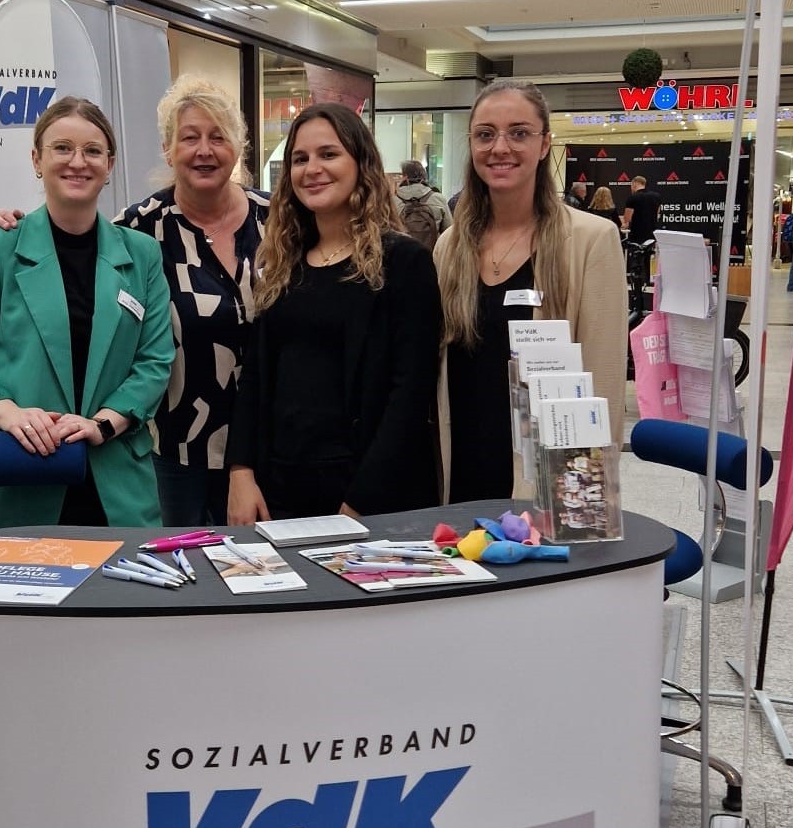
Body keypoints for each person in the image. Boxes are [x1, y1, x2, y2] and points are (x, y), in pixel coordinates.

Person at [0, 77, 268, 528]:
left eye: (218, 137)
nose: (204, 150)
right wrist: (6, 229)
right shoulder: (140, 230)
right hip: (174, 449)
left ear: (239, 148)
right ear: (168, 150)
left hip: (269, 443)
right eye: (189, 137)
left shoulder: (281, 220)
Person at [0, 97, 175, 528]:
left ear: (109, 163)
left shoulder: (141, 255)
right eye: (62, 148)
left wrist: (102, 424)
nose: (77, 162)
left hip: (114, 474)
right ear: (36, 160)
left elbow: (154, 361)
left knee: (122, 592)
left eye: (92, 151)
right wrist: (9, 412)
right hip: (19, 472)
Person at [226, 103, 441, 523]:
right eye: (299, 159)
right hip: (279, 491)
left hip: (366, 497)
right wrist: (240, 470)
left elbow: (410, 393)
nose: (312, 169)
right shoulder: (283, 262)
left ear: (361, 163)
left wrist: (363, 500)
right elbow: (255, 375)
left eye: (328, 154)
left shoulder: (403, 262)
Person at [435, 80, 627, 503]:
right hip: (462, 472)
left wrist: (581, 498)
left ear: (544, 145)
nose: (500, 147)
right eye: (485, 134)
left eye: (519, 133)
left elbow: (603, 386)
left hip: (542, 485)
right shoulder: (451, 247)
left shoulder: (591, 240)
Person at [395, 160, 451, 250]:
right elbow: (449, 234)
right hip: (431, 258)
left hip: (402, 259)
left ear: (405, 177)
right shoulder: (438, 199)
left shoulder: (393, 201)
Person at [622, 174, 662, 244]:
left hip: (637, 235)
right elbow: (657, 213)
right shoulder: (657, 196)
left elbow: (627, 218)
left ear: (634, 184)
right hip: (652, 234)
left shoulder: (632, 198)